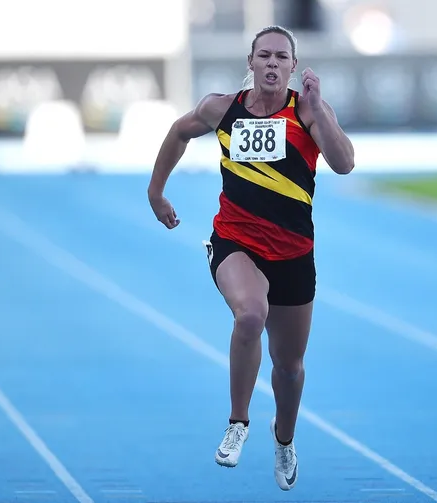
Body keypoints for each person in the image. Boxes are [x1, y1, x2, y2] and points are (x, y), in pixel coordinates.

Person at [146, 25, 354, 491]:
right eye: (265, 55)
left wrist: (321, 115)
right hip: (235, 242)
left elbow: (344, 163)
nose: (273, 63)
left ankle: (283, 439)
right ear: (251, 62)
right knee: (250, 314)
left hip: (294, 253)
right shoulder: (222, 109)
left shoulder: (308, 112)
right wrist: (156, 191)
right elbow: (179, 132)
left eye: (283, 56)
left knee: (290, 366)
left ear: (293, 67)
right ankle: (238, 422)